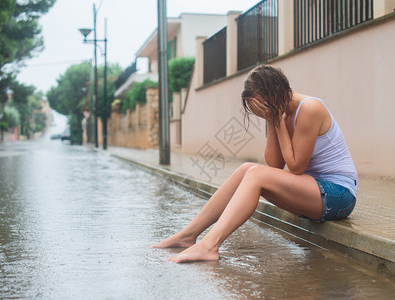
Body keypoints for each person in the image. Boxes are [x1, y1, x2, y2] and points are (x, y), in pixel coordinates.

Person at [152, 64, 358, 263]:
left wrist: (276, 119)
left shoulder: (310, 109)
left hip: (339, 195)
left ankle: (209, 246)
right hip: (314, 192)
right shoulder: (281, 114)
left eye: (263, 107)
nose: (263, 112)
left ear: (277, 91)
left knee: (256, 173)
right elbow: (275, 165)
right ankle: (188, 235)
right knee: (247, 169)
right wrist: (272, 121)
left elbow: (295, 167)